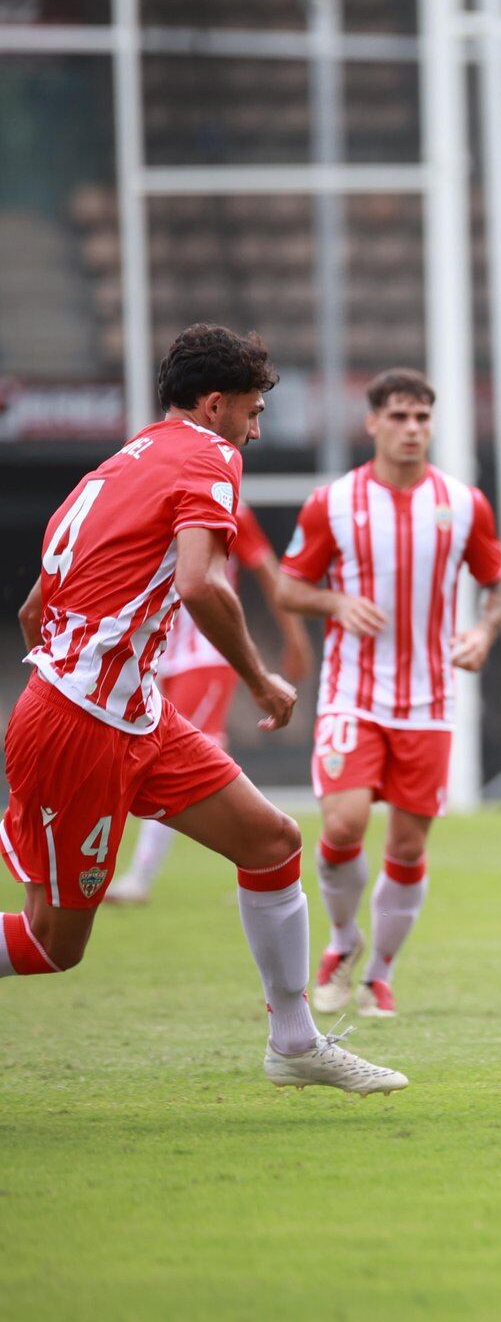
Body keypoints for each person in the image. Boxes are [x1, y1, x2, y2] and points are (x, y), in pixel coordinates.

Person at [1, 323, 405, 1094]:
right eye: (252, 413)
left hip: (128, 715)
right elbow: (198, 584)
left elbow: (31, 610)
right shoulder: (209, 455)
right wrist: (259, 678)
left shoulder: (118, 466)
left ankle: (294, 1043)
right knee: (55, 945)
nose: (255, 431)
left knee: (272, 842)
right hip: (80, 727)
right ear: (215, 405)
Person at [275, 368, 501, 1019]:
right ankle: (343, 943)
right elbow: (289, 587)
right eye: (399, 416)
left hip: (430, 700)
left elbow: (499, 584)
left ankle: (380, 971)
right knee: (343, 824)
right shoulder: (333, 502)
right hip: (351, 693)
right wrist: (334, 601)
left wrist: (484, 633)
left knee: (407, 847)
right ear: (372, 422)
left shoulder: (464, 504)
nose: (411, 429)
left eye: (422, 418)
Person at [103, 499, 312, 904]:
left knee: (166, 757)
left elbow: (268, 572)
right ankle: (264, 857)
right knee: (203, 755)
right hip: (159, 655)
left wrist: (296, 638)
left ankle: (141, 878)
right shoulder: (148, 504)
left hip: (206, 652)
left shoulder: (228, 507)